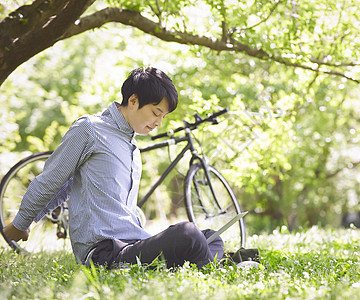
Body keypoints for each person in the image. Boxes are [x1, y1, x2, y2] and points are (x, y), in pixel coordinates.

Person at [2, 67, 224, 269]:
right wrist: (22, 222)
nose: (159, 123)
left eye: (163, 117)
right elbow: (54, 182)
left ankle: (201, 263)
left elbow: (67, 187)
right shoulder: (90, 129)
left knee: (211, 236)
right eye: (156, 113)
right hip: (104, 252)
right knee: (188, 233)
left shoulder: (132, 147)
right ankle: (214, 266)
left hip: (134, 243)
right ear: (134, 100)